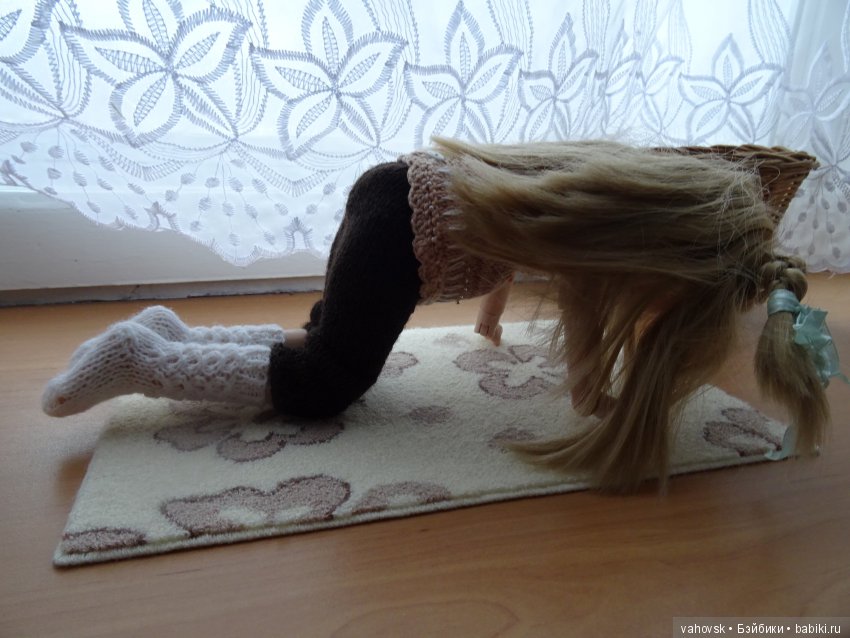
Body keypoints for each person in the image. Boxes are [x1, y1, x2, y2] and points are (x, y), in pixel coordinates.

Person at [41, 138, 838, 491]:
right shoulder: (614, 248)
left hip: (393, 193)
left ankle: (171, 334)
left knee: (326, 336)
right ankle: (144, 362)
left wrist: (489, 325)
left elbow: (531, 243)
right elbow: (583, 308)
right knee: (331, 380)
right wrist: (591, 393)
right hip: (401, 230)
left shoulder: (602, 197)